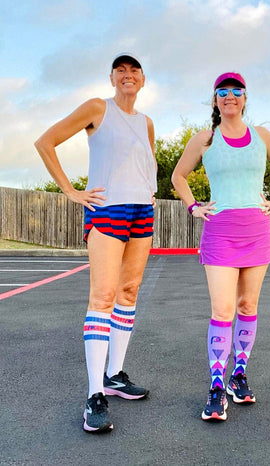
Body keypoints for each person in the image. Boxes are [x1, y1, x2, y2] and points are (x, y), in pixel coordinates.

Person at [35, 53, 157, 433]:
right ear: (111, 78)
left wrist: (149, 196)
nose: (127, 75)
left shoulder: (147, 122)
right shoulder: (96, 108)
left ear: (142, 80)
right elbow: (45, 142)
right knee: (102, 296)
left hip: (142, 210)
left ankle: (115, 375)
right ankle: (94, 395)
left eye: (134, 70)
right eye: (120, 71)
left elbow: (145, 166)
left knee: (129, 290)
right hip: (107, 211)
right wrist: (71, 190)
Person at [171, 72, 270, 421]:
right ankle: (215, 385)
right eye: (222, 92)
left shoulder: (262, 136)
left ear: (244, 98)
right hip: (220, 231)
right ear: (215, 100)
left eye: (236, 91)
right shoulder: (205, 139)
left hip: (257, 231)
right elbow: (177, 176)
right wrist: (194, 207)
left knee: (248, 303)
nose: (230, 96)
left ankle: (238, 376)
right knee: (223, 309)